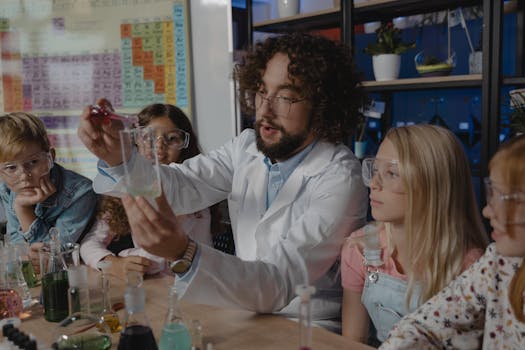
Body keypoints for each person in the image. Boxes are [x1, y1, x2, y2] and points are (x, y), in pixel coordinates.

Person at [77, 32, 368, 326]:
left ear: (322, 106)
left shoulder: (339, 176)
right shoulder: (246, 147)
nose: (265, 110)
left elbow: (278, 280)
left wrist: (184, 252)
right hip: (243, 312)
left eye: (285, 97)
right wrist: (120, 157)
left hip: (305, 327)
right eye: (262, 92)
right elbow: (180, 186)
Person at [341, 125, 488, 345]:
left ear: (433, 185)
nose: (373, 184)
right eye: (374, 170)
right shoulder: (360, 248)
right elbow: (352, 343)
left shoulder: (471, 267)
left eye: (392, 173)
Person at [379, 134, 525, 349]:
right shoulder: (499, 264)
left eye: (505, 198)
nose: (487, 211)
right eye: (491, 194)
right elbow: (425, 324)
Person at [80, 103, 213, 276]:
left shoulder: (196, 192)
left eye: (171, 138)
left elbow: (193, 259)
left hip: (193, 287)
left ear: (185, 144)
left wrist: (131, 255)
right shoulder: (124, 191)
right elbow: (90, 243)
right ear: (134, 141)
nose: (159, 147)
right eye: (148, 137)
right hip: (151, 288)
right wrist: (115, 264)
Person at [0, 112, 96, 244]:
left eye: (33, 162)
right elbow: (17, 246)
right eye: (11, 168)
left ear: (51, 156)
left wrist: (23, 209)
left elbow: (56, 252)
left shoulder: (81, 192)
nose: (24, 176)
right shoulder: (6, 188)